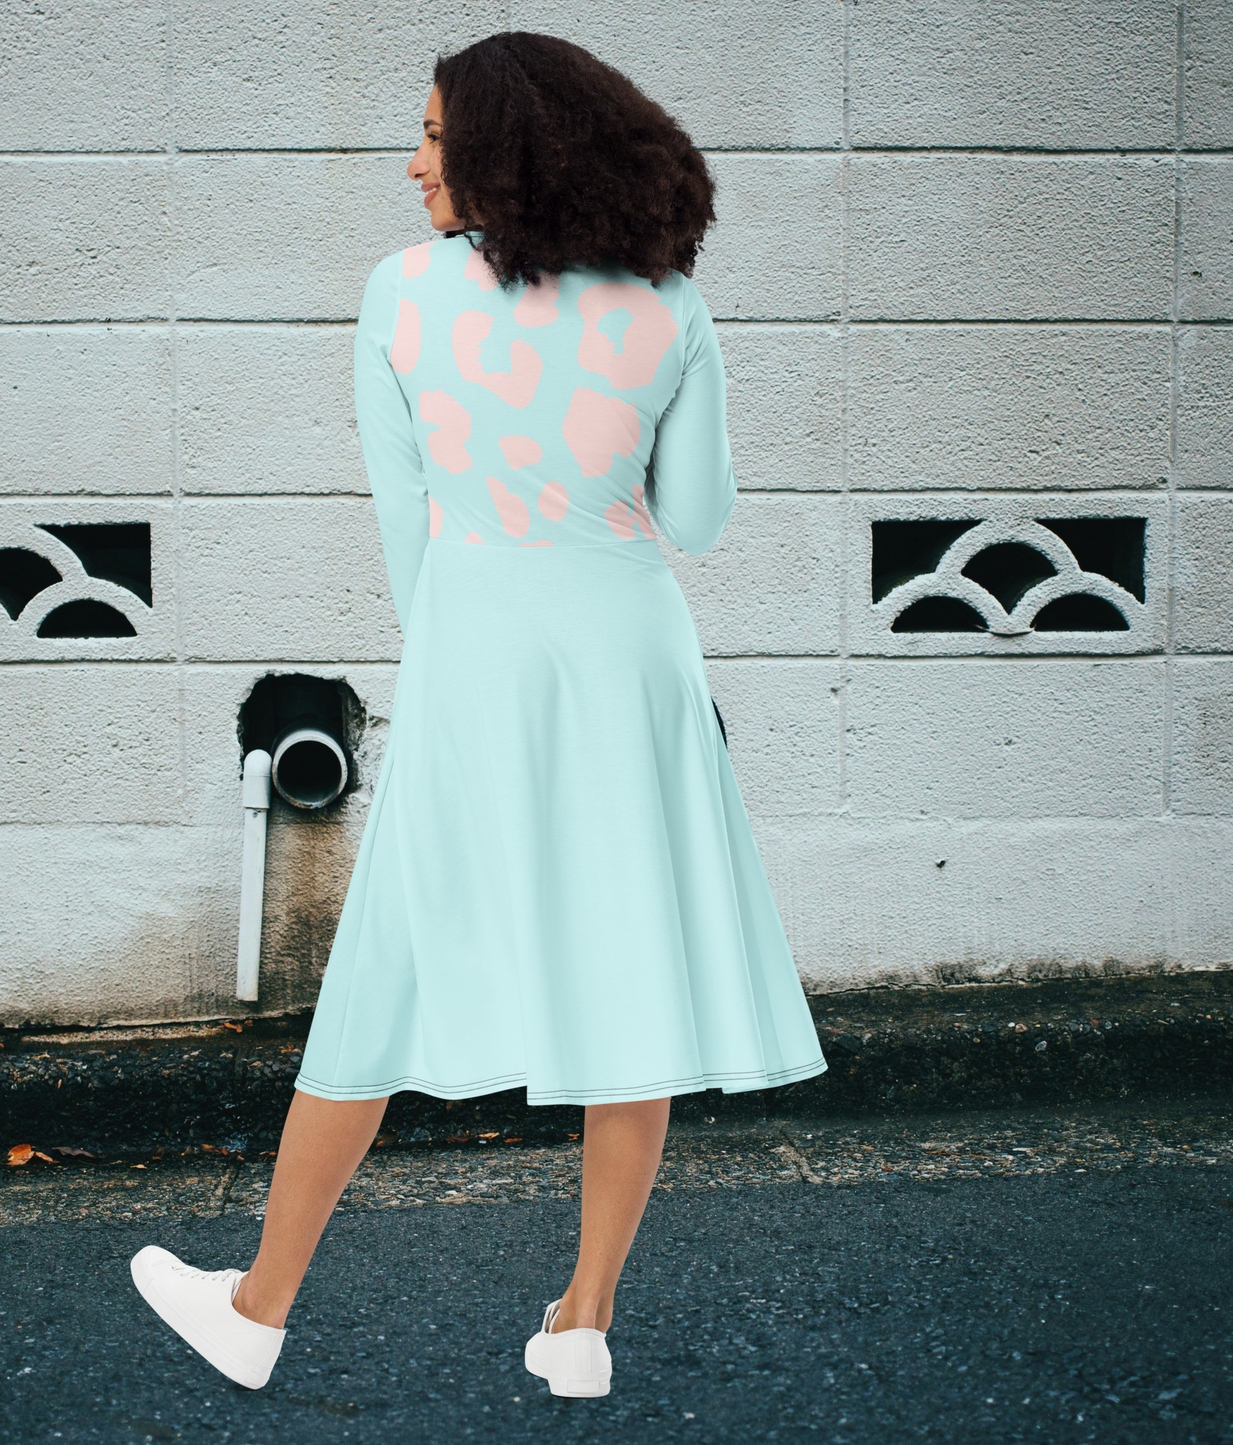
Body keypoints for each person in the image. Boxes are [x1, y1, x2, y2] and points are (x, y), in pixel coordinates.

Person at [131, 31, 826, 1399]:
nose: (414, 161)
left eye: (436, 137)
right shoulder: (666, 303)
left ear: (509, 148)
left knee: (386, 972)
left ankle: (259, 1309)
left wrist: (450, 652)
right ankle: (582, 1325)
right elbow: (696, 519)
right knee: (636, 976)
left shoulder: (398, 296)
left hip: (472, 649)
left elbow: (409, 529)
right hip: (630, 658)